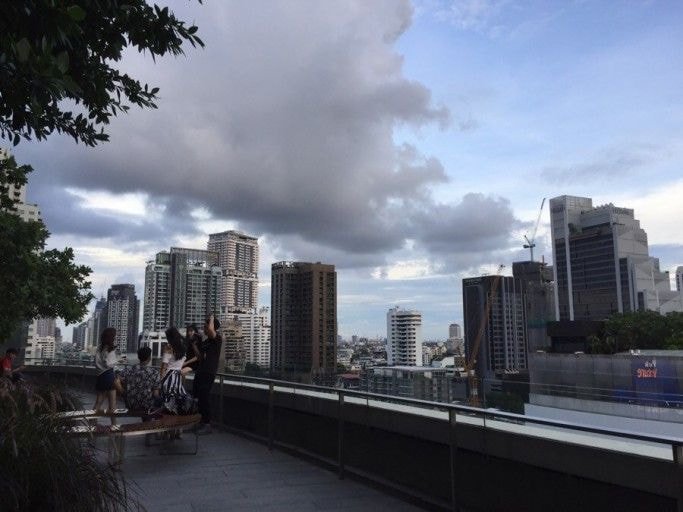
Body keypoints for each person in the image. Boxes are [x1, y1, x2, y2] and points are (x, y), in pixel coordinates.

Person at [193, 314, 222, 434]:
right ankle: (200, 421)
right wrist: (194, 345)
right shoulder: (205, 342)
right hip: (201, 371)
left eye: (206, 326)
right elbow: (199, 357)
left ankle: (207, 424)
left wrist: (211, 317)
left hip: (209, 372)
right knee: (198, 397)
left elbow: (210, 329)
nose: (204, 328)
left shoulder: (217, 339)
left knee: (204, 397)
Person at [160, 326, 195, 415]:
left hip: (168, 376)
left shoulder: (169, 348)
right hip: (178, 376)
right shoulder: (183, 348)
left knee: (166, 400)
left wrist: (161, 379)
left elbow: (164, 367)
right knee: (176, 399)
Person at [117, 346, 161, 414]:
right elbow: (156, 394)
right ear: (149, 358)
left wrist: (124, 393)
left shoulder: (128, 369)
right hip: (147, 405)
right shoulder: (154, 373)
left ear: (138, 357)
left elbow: (116, 380)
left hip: (131, 403)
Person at [93, 327, 119, 415]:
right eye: (114, 336)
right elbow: (109, 364)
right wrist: (118, 360)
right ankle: (114, 423)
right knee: (112, 405)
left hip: (100, 376)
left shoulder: (99, 348)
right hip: (109, 376)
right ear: (111, 337)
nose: (115, 337)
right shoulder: (110, 349)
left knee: (98, 402)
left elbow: (96, 362)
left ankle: (91, 422)